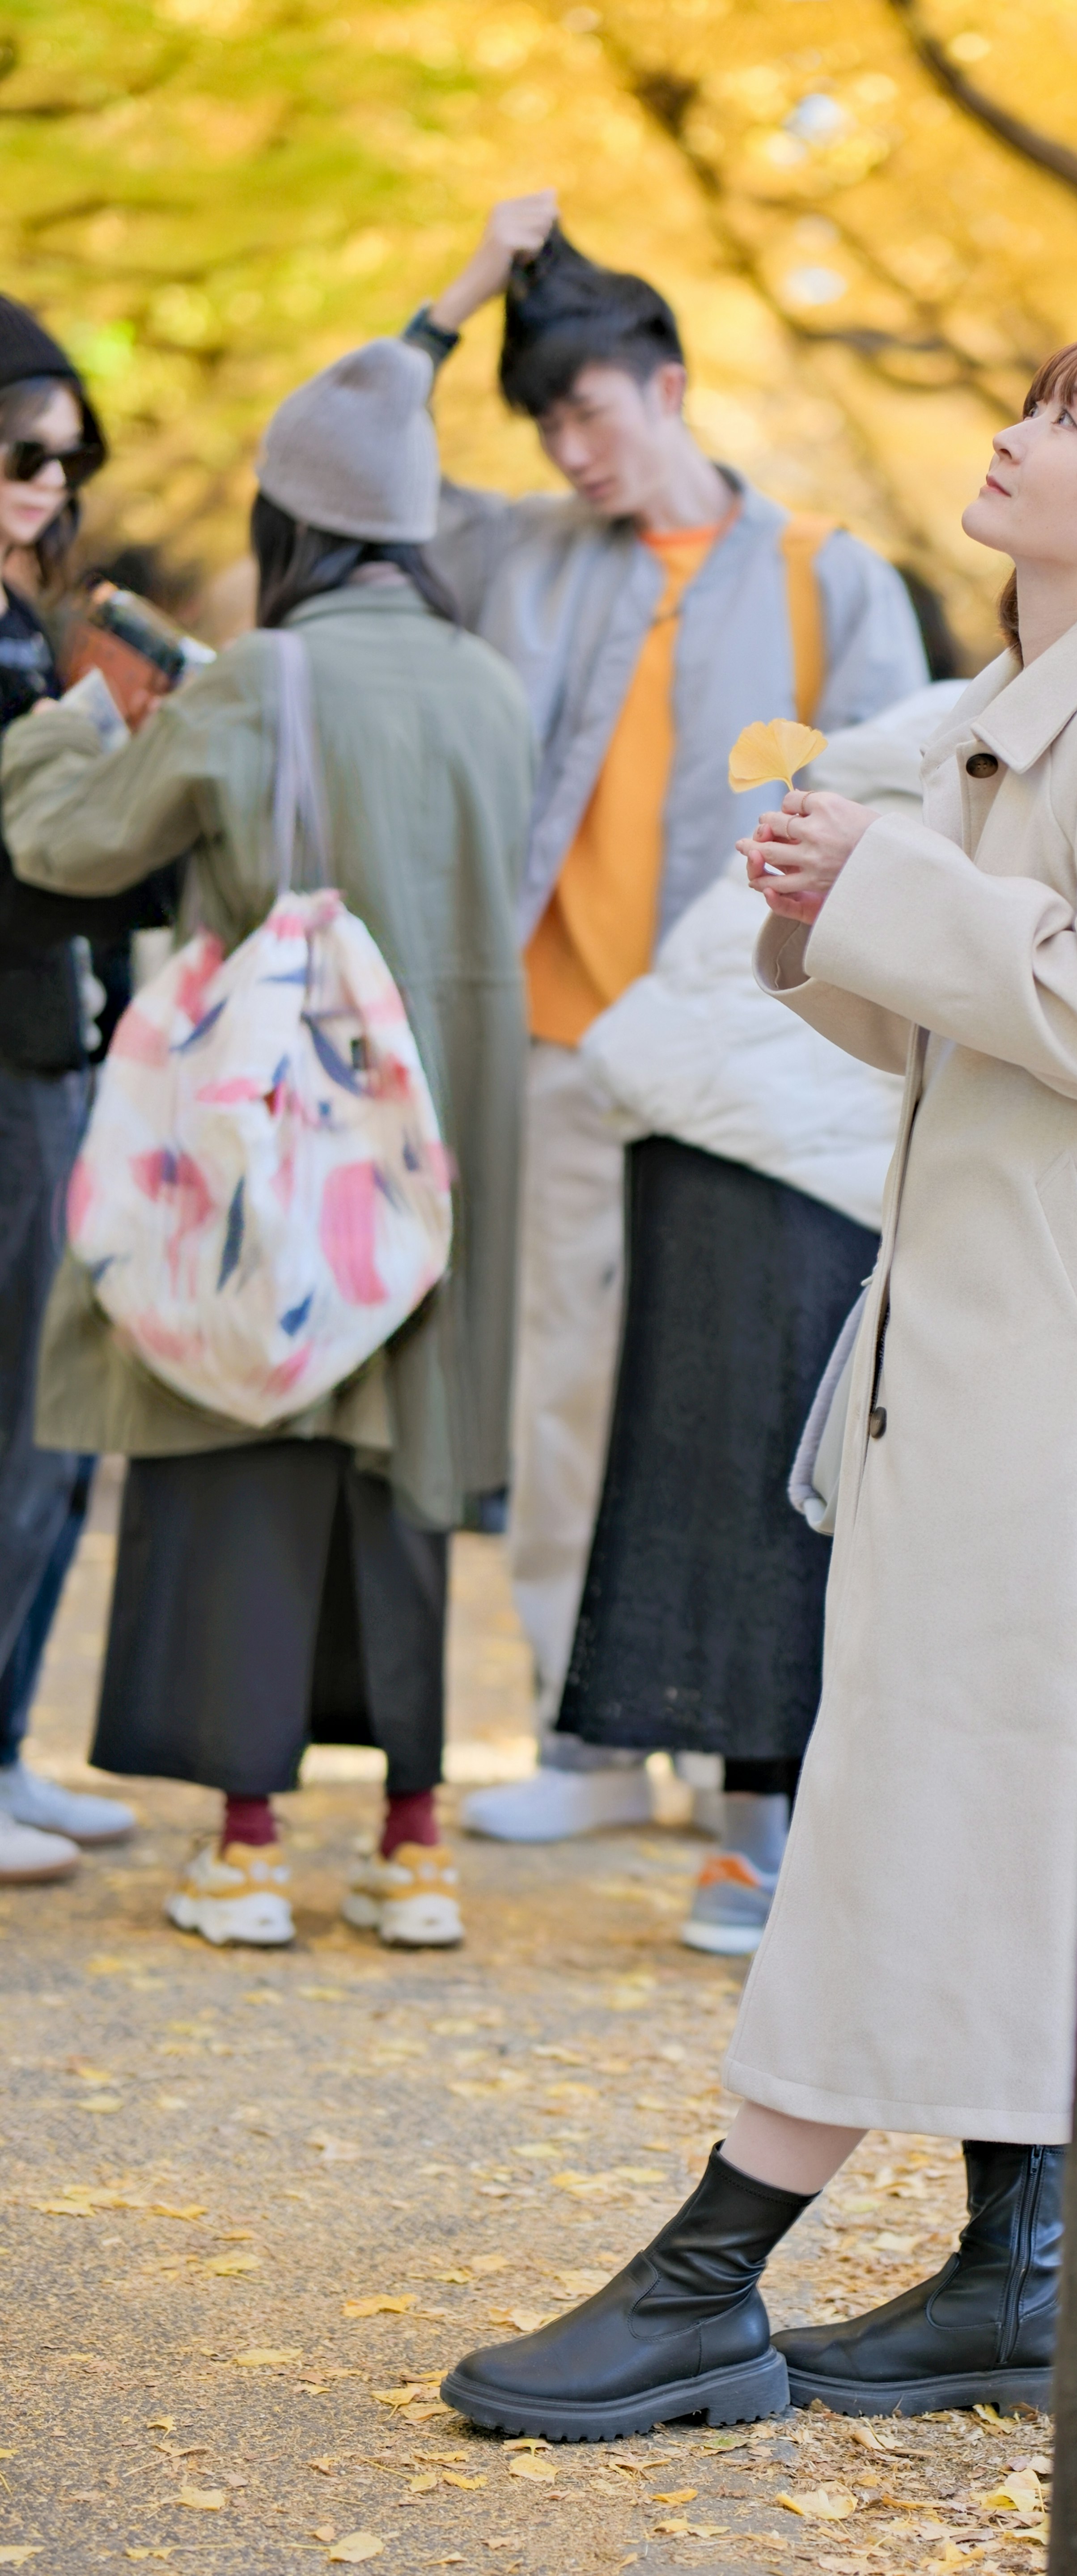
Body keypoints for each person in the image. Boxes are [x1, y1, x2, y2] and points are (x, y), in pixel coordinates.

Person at [439, 329, 1077, 2440]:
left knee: (928, 1793)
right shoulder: (1027, 727)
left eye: (1060, 428)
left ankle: (713, 2270)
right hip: (987, 1348)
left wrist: (888, 894)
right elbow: (957, 1058)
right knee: (993, 1801)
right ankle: (1022, 2268)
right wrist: (825, 927)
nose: (1010, 441)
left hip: (1070, 1373)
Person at [399, 195, 929, 1844]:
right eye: (544, 421)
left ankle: (743, 1743)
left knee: (741, 1397)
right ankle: (586, 1742)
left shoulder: (826, 576)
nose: (569, 446)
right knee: (562, 1388)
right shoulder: (521, 556)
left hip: (756, 1072)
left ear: (673, 383)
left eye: (589, 408)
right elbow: (342, 457)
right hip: (563, 1051)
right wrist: (467, 287)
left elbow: (913, 807)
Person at [0, 340, 534, 1948]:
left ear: (288, 519)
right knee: (404, 1470)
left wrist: (66, 723)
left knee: (244, 1436)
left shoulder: (257, 680)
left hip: (278, 1130)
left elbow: (69, 843)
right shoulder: (492, 683)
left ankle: (245, 1848)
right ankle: (414, 1842)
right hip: (445, 1127)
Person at [564, 675, 966, 1954]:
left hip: (721, 1112)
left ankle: (758, 1851)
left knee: (751, 1484)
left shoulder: (992, 716)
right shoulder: (1010, 733)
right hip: (773, 1129)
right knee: (783, 1496)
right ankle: (755, 1861)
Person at [0, 293, 161, 1889]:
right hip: (16, 1066)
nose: (49, 479)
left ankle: (9, 1747)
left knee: (53, 1435)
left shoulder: (32, 630)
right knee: (24, 1424)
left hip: (61, 1054)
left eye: (67, 454)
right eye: (18, 449)